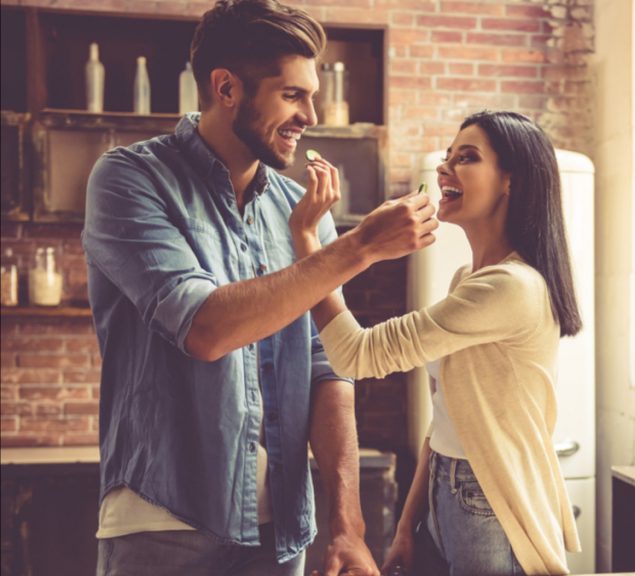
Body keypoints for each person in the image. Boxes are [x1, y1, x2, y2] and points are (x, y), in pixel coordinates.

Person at [82, 1, 437, 574]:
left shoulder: (305, 214)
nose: (309, 115)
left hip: (281, 533)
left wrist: (347, 522)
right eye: (292, 95)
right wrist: (358, 247)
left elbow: (327, 367)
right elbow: (205, 327)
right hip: (163, 519)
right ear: (226, 87)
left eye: (312, 96)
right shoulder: (129, 179)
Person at [289, 111, 583, 576]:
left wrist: (310, 240)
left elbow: (355, 354)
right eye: (447, 157)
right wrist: (410, 524)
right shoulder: (469, 279)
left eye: (466, 158)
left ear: (511, 180)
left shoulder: (509, 288)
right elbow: (448, 417)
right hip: (450, 487)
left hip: (490, 498)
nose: (445, 168)